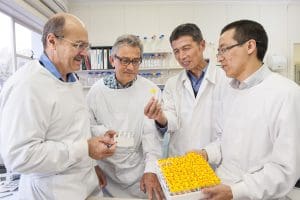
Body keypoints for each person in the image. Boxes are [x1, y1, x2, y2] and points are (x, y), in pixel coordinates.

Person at [0, 13, 116, 200]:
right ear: (52, 41)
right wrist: (85, 148)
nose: (84, 53)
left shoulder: (71, 79)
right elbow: (19, 156)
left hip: (85, 187)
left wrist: (96, 144)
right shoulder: (27, 85)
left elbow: (69, 129)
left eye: (85, 46)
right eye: (78, 45)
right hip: (50, 193)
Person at [198, 19, 300, 199]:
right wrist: (206, 153)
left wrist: (237, 191)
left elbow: (286, 168)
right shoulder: (229, 90)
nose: (219, 57)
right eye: (218, 51)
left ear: (250, 46)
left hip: (259, 194)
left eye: (224, 49)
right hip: (222, 185)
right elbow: (225, 140)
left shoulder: (287, 93)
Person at [86, 34, 164, 200]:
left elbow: (151, 137)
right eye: (125, 60)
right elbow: (87, 132)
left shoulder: (150, 90)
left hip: (138, 172)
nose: (130, 67)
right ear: (112, 59)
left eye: (135, 61)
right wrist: (93, 166)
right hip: (105, 172)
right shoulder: (96, 92)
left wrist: (150, 169)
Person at [144, 23, 226, 157]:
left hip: (213, 162)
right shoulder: (172, 84)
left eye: (186, 48)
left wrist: (207, 153)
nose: (181, 56)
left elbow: (230, 129)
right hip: (181, 161)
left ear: (202, 45)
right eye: (176, 51)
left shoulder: (225, 80)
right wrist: (160, 117)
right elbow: (172, 119)